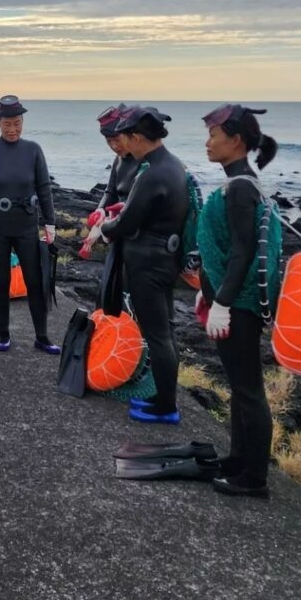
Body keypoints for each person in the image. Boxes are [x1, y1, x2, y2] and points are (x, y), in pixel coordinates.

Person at [198, 104, 280, 499]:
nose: (208, 142)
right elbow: (228, 246)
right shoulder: (239, 182)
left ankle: (255, 477)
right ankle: (237, 459)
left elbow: (243, 252)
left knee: (249, 388)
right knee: (238, 385)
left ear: (236, 141)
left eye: (214, 135)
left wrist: (223, 302)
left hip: (241, 307)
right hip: (234, 302)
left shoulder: (241, 188)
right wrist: (207, 288)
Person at [101, 106, 190, 424]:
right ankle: (163, 397)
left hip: (148, 264)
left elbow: (125, 224)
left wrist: (104, 228)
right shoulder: (172, 165)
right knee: (164, 330)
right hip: (165, 260)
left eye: (126, 138)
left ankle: (165, 406)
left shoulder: (152, 172)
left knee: (158, 335)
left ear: (137, 137)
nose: (124, 147)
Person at [0, 96, 59, 354]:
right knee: (2, 281)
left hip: (27, 226)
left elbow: (44, 188)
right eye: (7, 123)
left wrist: (50, 222)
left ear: (23, 122)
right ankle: (3, 335)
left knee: (35, 281)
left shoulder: (33, 149)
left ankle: (42, 336)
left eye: (17, 123)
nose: (12, 129)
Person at [96, 104, 139, 207]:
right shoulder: (118, 160)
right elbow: (111, 192)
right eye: (108, 141)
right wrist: (100, 210)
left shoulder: (148, 162)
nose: (114, 146)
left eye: (117, 139)